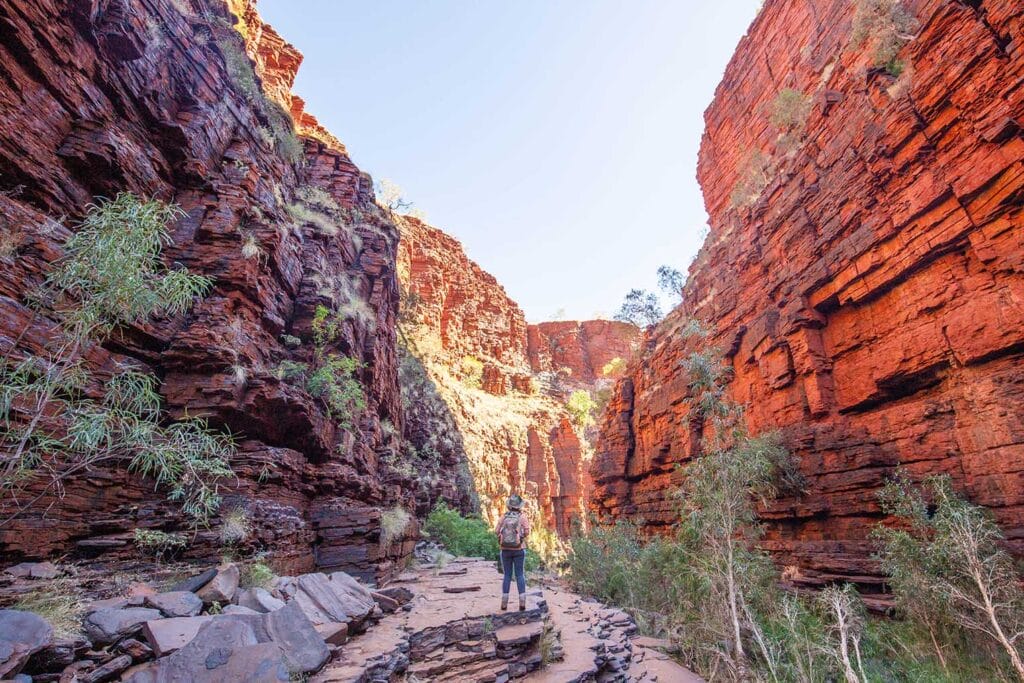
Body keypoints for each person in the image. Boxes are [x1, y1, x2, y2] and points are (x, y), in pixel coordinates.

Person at [495, 494, 531, 611]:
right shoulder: (522, 517)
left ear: (509, 506)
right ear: (519, 506)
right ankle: (522, 602)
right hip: (519, 549)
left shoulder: (503, 517)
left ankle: (504, 603)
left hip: (505, 549)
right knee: (519, 574)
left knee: (507, 575)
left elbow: (496, 531)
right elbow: (527, 532)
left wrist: (503, 536)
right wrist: (519, 536)